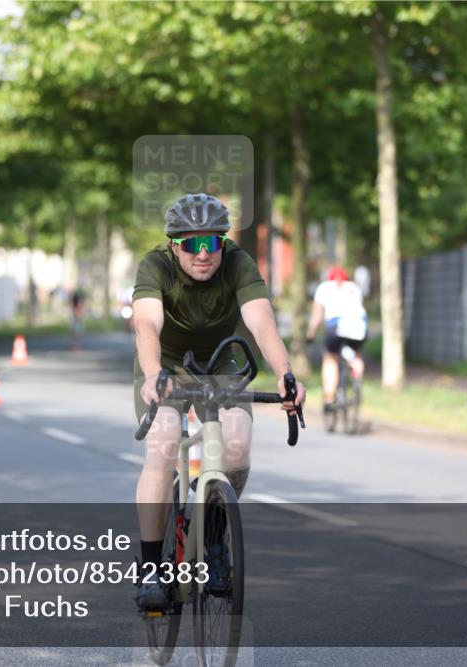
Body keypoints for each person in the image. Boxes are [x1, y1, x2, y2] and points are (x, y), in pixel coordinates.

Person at [131, 193, 306, 610]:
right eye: (192, 244)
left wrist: (285, 373)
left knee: (237, 445)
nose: (203, 253)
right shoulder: (155, 266)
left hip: (222, 358)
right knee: (164, 441)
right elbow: (146, 325)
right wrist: (154, 373)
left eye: (212, 242)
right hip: (166, 365)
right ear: (174, 245)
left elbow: (262, 322)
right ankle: (152, 567)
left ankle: (212, 530)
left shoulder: (238, 263)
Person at [305, 267, 368, 411]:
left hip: (336, 325)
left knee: (330, 358)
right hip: (358, 324)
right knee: (356, 354)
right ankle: (356, 380)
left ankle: (329, 397)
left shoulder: (324, 288)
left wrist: (311, 334)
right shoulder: (353, 287)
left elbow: (317, 317)